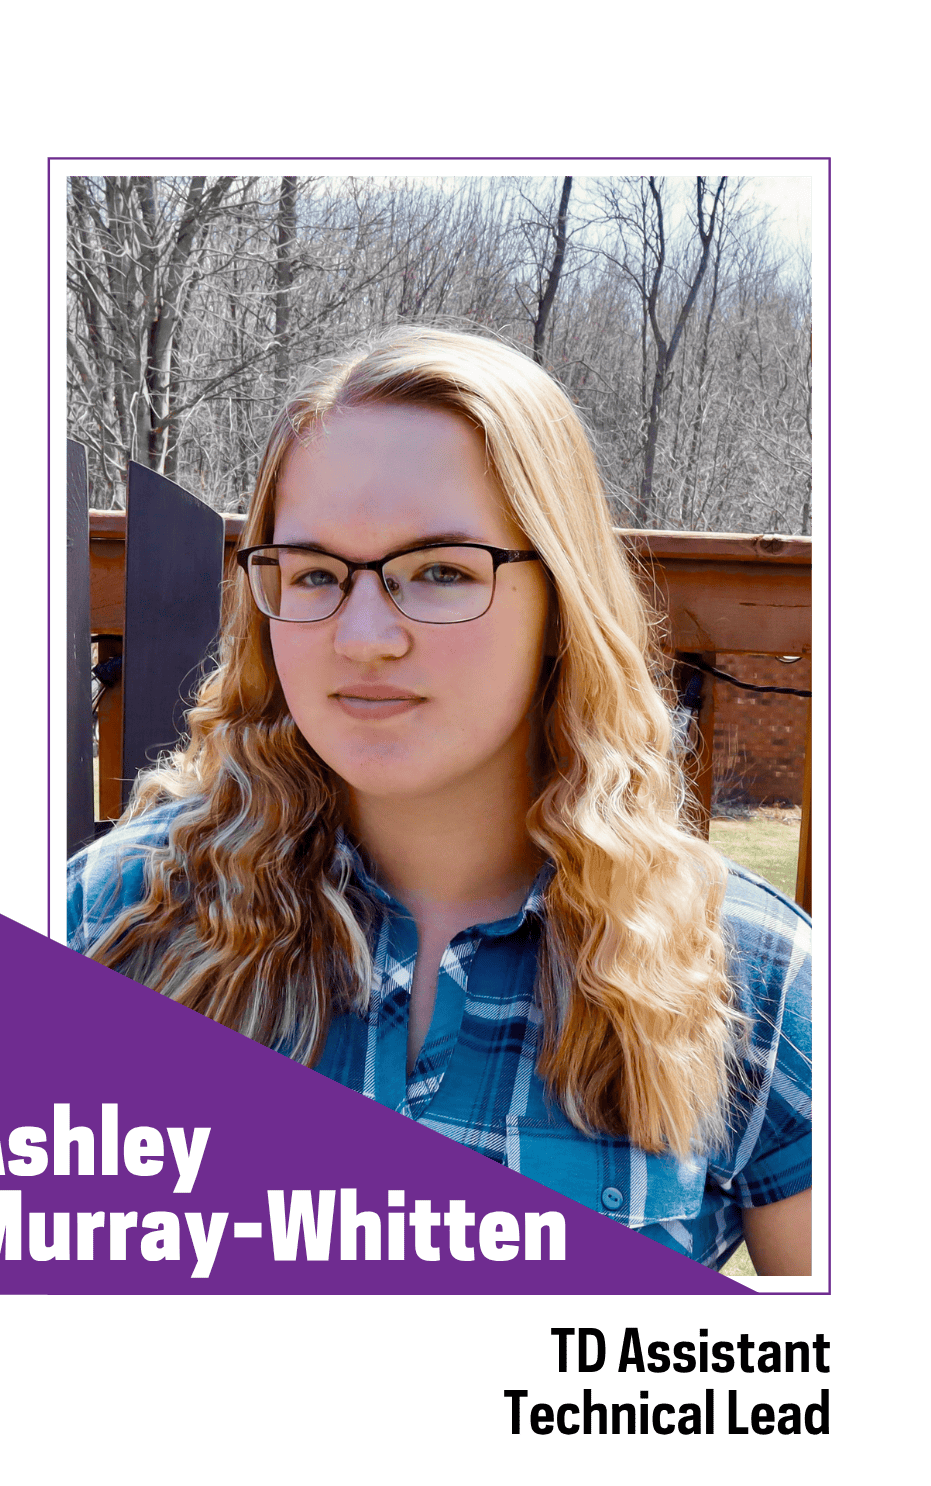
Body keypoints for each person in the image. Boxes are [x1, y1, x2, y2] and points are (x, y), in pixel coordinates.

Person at [67, 328, 812, 1275]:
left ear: (561, 603)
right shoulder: (119, 920)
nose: (365, 635)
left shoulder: (744, 975)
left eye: (443, 571)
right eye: (315, 574)